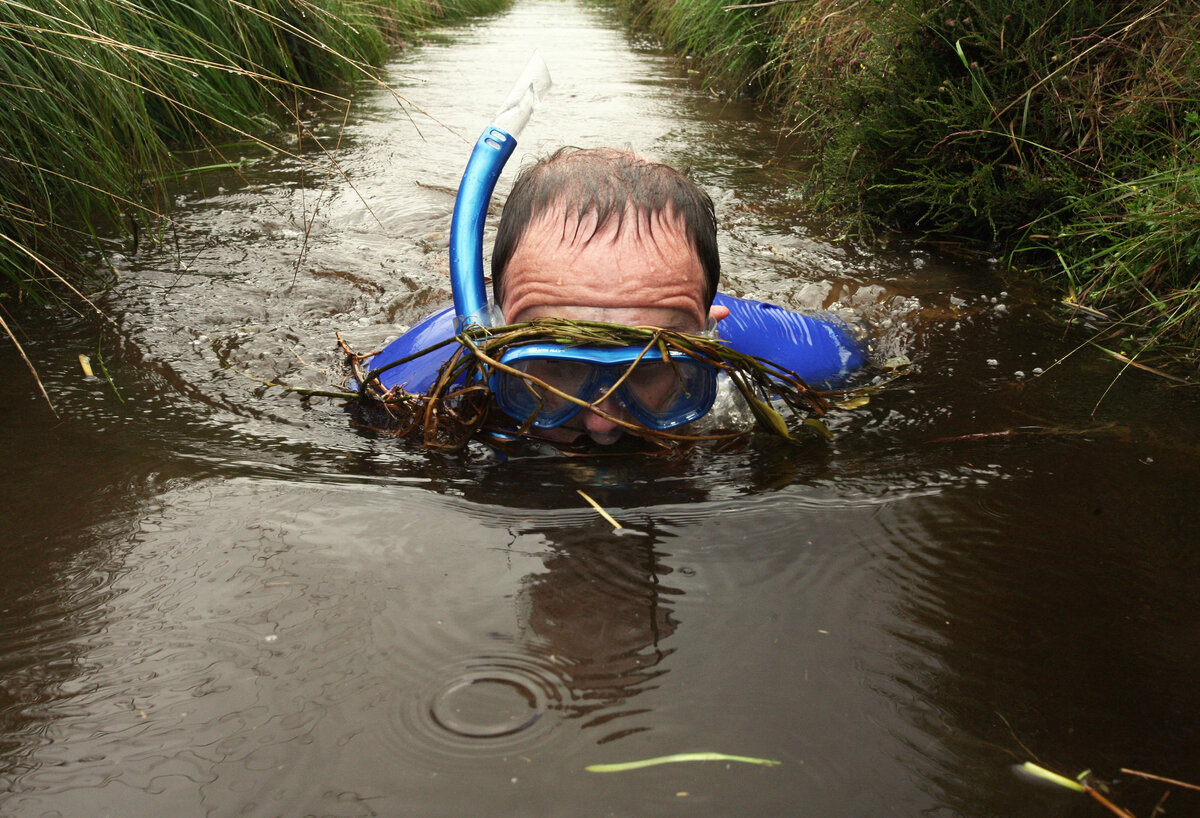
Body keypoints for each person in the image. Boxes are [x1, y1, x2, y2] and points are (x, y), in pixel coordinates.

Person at [487, 147, 731, 446]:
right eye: (558, 364)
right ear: (493, 339)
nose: (602, 426)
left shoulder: (792, 378)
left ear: (709, 338)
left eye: (648, 364)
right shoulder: (422, 387)